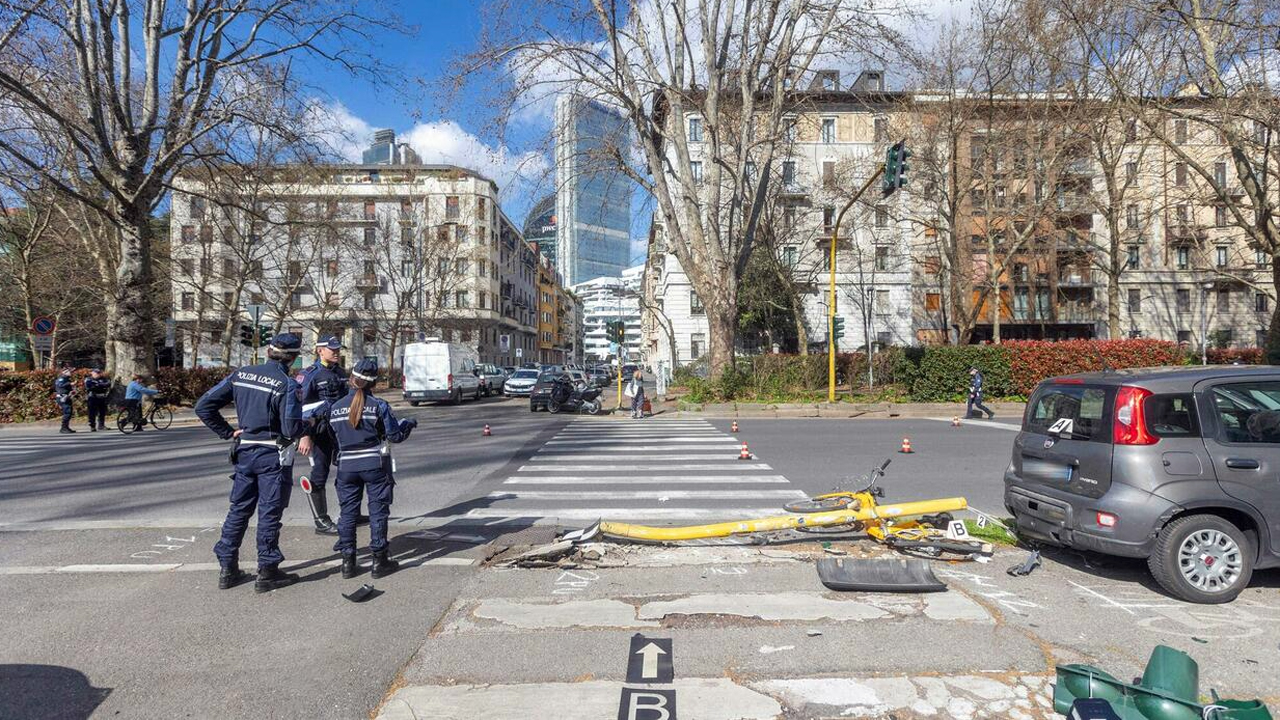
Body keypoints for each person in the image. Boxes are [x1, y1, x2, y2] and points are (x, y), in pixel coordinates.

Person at [195, 333, 306, 593]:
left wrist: (227, 431)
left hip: (245, 452)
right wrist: (309, 424)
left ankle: (227, 567)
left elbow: (203, 406)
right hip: (272, 455)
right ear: (293, 358)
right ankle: (267, 570)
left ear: (268, 352)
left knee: (239, 509)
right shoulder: (286, 384)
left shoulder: (241, 374)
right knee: (269, 512)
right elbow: (290, 429)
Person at [302, 358, 416, 579]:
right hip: (374, 464)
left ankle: (348, 562)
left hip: (346, 466)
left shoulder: (333, 407)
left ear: (351, 378)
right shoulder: (379, 406)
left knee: (347, 514)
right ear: (373, 383)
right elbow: (395, 436)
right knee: (378, 512)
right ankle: (379, 560)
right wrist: (408, 424)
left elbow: (330, 436)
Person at [295, 334, 352, 535]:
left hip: (341, 430)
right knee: (320, 473)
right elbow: (300, 407)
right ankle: (321, 521)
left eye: (338, 349)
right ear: (320, 350)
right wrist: (304, 435)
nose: (336, 352)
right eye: (332, 349)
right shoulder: (310, 374)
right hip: (320, 432)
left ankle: (350, 514)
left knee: (348, 472)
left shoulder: (341, 372)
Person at [53, 367, 76, 434]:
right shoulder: (61, 378)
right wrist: (70, 384)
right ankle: (63, 428)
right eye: (69, 371)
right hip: (62, 398)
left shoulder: (67, 379)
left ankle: (66, 427)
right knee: (67, 412)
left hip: (67, 397)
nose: (71, 373)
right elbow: (60, 385)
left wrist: (72, 391)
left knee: (69, 412)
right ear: (64, 372)